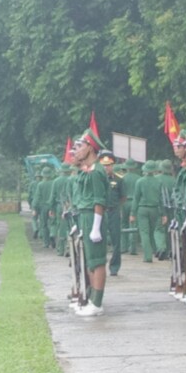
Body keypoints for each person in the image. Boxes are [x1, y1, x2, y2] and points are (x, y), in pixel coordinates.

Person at [70, 129, 111, 316]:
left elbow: (99, 201)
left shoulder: (96, 172)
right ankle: (92, 299)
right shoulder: (88, 171)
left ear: (90, 147)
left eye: (79, 146)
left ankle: (97, 302)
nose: (76, 150)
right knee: (90, 261)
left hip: (93, 217)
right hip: (85, 216)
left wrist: (96, 227)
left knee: (97, 261)